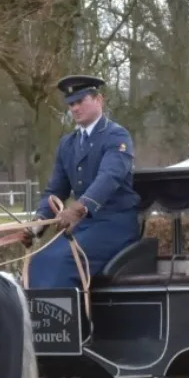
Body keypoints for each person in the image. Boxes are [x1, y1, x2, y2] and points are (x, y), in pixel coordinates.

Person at [23, 73, 141, 288]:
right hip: (85, 229)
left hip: (115, 225)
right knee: (38, 262)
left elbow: (110, 176)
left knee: (60, 262)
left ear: (99, 99)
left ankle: (72, 322)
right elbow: (55, 190)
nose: (75, 108)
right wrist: (37, 224)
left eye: (80, 101)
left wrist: (79, 207)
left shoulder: (117, 136)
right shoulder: (67, 144)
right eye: (70, 104)